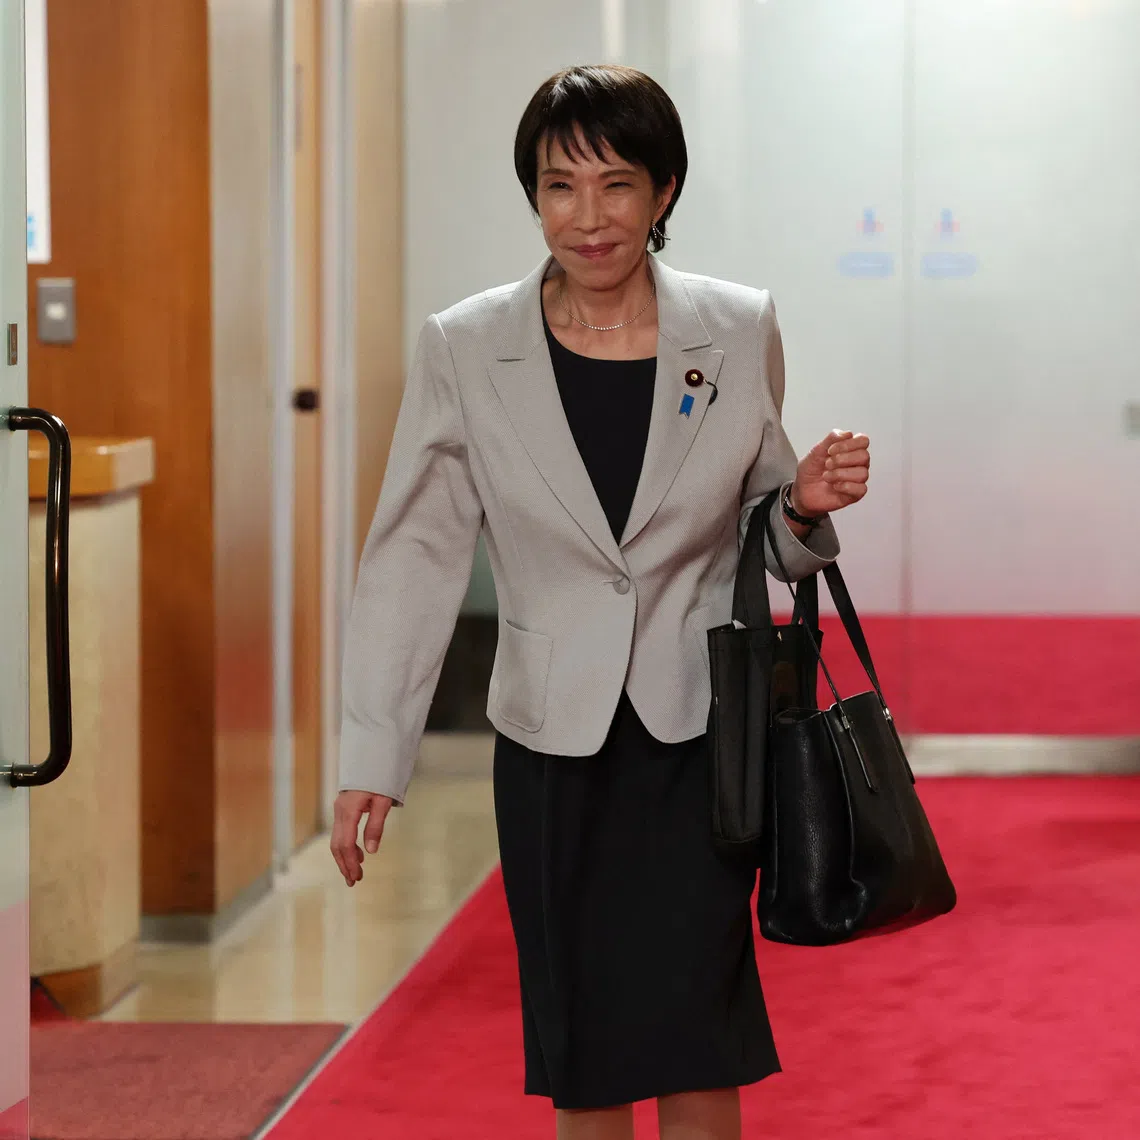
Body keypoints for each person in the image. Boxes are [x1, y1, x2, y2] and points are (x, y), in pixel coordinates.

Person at [331, 64, 870, 1140]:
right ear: (532, 195)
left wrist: (802, 509)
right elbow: (415, 556)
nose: (588, 217)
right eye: (558, 186)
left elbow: (761, 537)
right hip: (551, 744)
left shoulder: (736, 326)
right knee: (584, 1046)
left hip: (702, 738)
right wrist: (371, 758)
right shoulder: (467, 346)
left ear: (664, 192)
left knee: (696, 1026)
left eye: (616, 185)